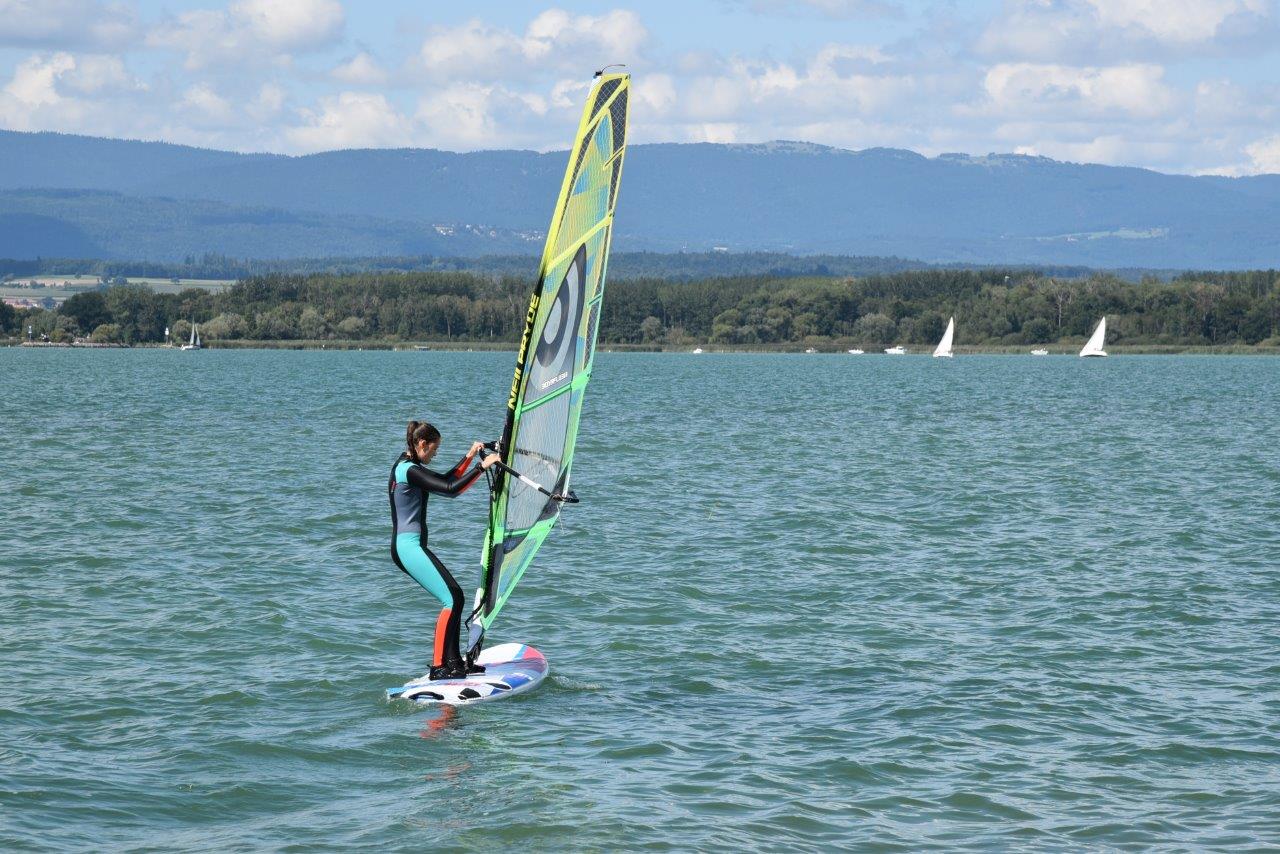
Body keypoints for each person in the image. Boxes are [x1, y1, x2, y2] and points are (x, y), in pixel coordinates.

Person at [389, 420, 499, 680]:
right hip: (407, 548)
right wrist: (481, 468)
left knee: (456, 597)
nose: (435, 454)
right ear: (421, 444)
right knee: (452, 598)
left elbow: (445, 480)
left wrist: (470, 457)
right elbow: (451, 490)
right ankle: (439, 666)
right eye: (434, 450)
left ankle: (454, 663)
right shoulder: (407, 470)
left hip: (412, 546)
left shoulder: (412, 467)